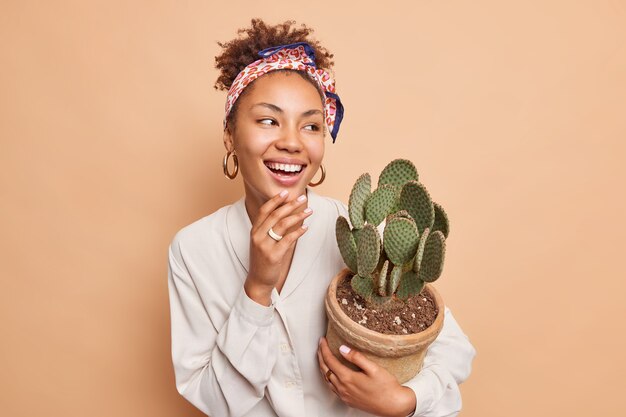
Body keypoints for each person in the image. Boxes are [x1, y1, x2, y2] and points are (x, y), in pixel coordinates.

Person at [167, 18, 476, 417]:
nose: (292, 142)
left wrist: (405, 401)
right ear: (230, 134)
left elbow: (453, 349)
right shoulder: (193, 251)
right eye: (267, 120)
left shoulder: (357, 233)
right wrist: (257, 289)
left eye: (311, 125)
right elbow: (213, 400)